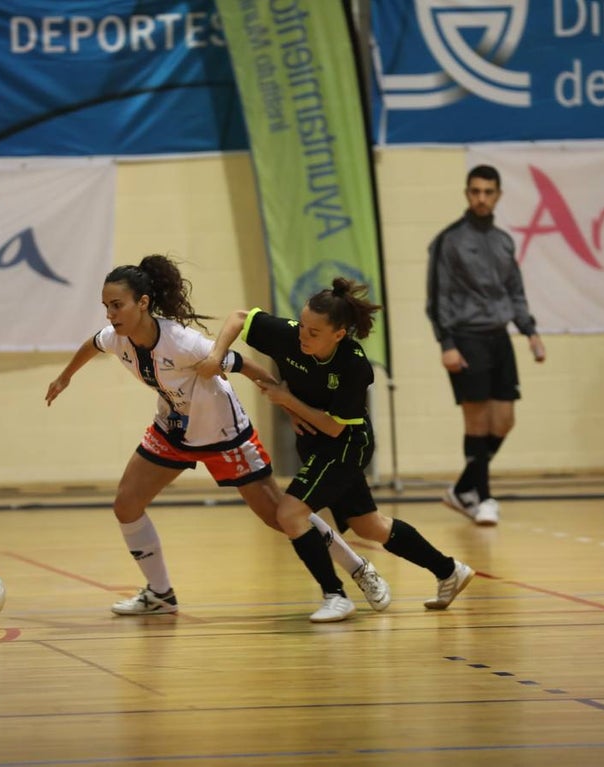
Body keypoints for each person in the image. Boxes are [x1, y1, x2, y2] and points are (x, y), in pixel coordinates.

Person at [45, 255, 389, 622]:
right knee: (126, 505)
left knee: (281, 516)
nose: (110, 314)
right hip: (174, 430)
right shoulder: (118, 339)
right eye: (106, 307)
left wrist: (287, 406)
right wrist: (66, 376)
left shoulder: (181, 342)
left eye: (117, 305)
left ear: (142, 303)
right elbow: (92, 344)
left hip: (224, 435)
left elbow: (244, 364)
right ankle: (160, 593)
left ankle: (358, 568)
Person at [199, 278, 475, 622]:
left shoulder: (353, 365)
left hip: (345, 446)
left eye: (314, 332)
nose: (303, 336)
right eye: (302, 326)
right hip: (316, 442)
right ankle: (449, 570)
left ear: (339, 334)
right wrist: (216, 354)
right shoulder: (289, 335)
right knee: (370, 526)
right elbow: (240, 317)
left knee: (289, 513)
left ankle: (336, 595)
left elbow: (334, 426)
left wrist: (289, 401)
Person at [425, 164, 546, 526]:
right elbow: (438, 297)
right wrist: (446, 342)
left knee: (504, 420)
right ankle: (483, 497)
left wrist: (530, 332)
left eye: (488, 192)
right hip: (465, 337)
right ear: (467, 194)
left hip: (499, 337)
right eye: (475, 191)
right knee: (476, 421)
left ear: (498, 195)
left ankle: (463, 488)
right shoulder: (449, 240)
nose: (481, 198)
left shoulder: (503, 241)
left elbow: (515, 291)